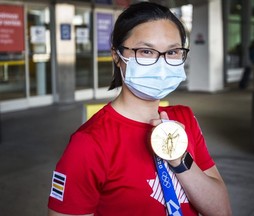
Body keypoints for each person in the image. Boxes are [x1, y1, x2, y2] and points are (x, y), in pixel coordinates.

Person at [47, 2, 232, 216]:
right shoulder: (89, 143)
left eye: (172, 51)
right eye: (146, 51)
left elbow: (222, 211)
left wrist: (180, 161)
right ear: (117, 56)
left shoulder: (184, 119)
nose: (161, 64)